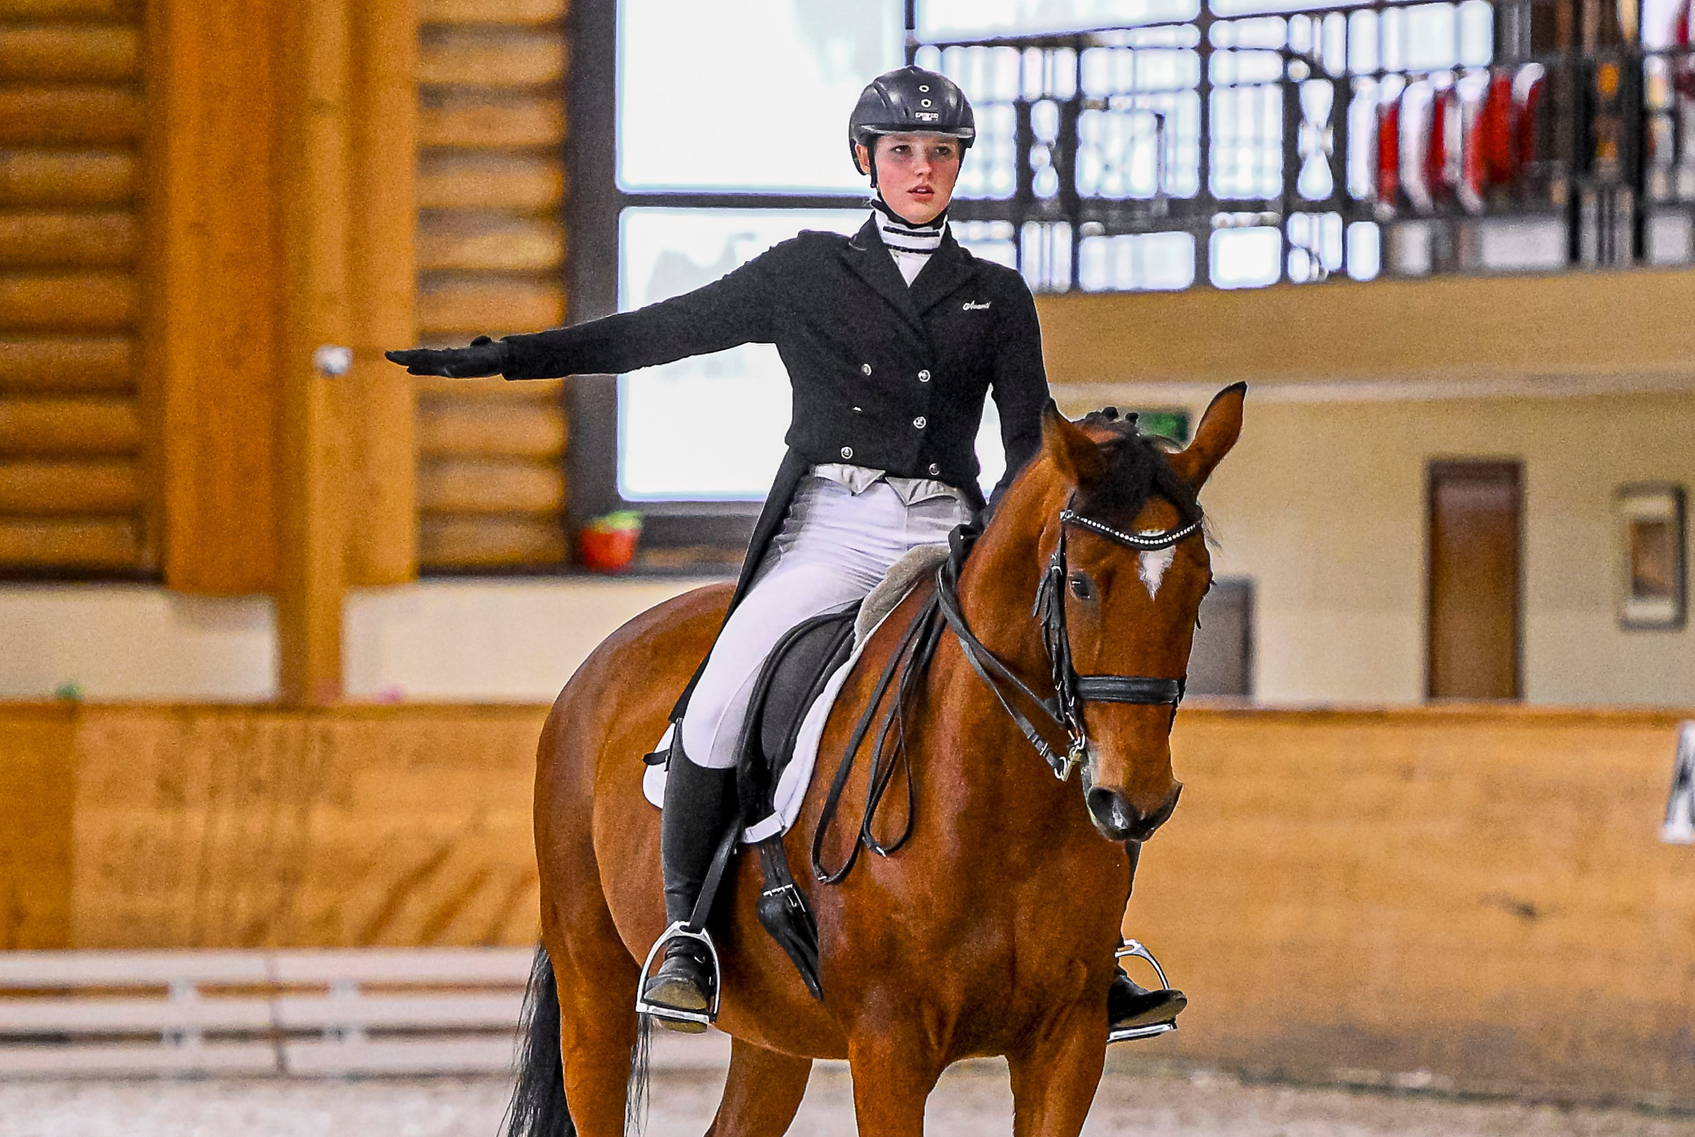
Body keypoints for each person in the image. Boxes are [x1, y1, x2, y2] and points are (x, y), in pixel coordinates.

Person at [389, 67, 1183, 1041]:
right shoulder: (805, 272)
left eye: (940, 153)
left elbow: (1026, 448)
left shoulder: (994, 295)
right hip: (834, 530)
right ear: (864, 160)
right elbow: (658, 333)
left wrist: (1088, 471)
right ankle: (687, 933)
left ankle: (1096, 948)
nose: (922, 169)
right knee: (719, 697)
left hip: (948, 535)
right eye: (902, 151)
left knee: (1072, 702)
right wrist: (511, 357)